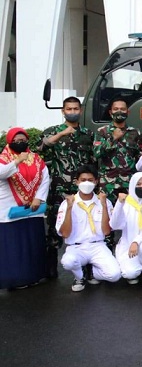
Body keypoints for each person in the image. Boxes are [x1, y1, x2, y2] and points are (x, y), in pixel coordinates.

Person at [40, 96, 95, 278]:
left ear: (80, 110)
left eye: (75, 109)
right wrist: (61, 134)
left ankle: (87, 268)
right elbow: (41, 148)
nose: (72, 112)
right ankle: (49, 269)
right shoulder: (53, 131)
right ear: (63, 111)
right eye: (69, 109)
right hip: (59, 189)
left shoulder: (88, 134)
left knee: (85, 225)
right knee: (55, 227)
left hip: (82, 190)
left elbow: (92, 161)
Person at [56, 165, 121, 292]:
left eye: (90, 180)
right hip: (76, 246)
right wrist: (69, 208)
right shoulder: (68, 203)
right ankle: (80, 276)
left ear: (96, 182)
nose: (86, 183)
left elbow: (107, 231)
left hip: (97, 246)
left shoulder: (104, 201)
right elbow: (65, 233)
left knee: (115, 275)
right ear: (77, 182)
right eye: (83, 180)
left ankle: (93, 271)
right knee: (68, 262)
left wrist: (102, 205)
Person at [0, 128, 50, 289]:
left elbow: (45, 178)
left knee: (32, 244)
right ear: (9, 141)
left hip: (32, 209)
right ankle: (14, 280)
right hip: (9, 209)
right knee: (14, 247)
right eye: (17, 140)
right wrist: (16, 162)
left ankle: (34, 276)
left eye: (23, 139)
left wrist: (38, 197)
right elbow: (1, 174)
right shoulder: (3, 158)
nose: (21, 142)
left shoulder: (35, 158)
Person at [110, 172, 142, 290]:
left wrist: (136, 241)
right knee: (130, 273)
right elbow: (115, 225)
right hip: (128, 247)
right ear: (132, 184)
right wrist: (119, 204)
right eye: (138, 184)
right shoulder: (125, 203)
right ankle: (139, 266)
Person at [93, 97, 142, 202]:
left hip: (128, 183)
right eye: (116, 109)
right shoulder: (102, 131)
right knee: (107, 213)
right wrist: (112, 138)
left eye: (122, 109)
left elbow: (140, 159)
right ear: (110, 112)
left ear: (128, 112)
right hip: (108, 183)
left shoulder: (135, 132)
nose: (119, 111)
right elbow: (96, 153)